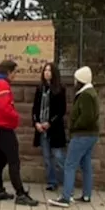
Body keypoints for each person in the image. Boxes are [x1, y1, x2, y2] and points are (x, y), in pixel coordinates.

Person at [0, 60, 38, 206]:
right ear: (9, 72)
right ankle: (20, 193)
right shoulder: (2, 84)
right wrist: (16, 117)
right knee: (14, 160)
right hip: (4, 127)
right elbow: (5, 108)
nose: (16, 75)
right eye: (15, 72)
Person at [50, 66, 99, 208]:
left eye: (76, 80)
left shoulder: (86, 95)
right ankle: (86, 194)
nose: (74, 82)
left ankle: (66, 197)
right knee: (85, 164)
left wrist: (74, 126)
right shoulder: (90, 93)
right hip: (90, 135)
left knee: (70, 164)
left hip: (82, 135)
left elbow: (87, 117)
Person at [32, 62, 67, 191]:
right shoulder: (40, 88)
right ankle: (52, 181)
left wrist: (50, 123)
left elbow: (61, 110)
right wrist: (36, 122)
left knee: (58, 157)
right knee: (47, 158)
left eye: (49, 70)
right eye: (45, 70)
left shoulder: (60, 89)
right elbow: (35, 107)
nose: (47, 73)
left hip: (54, 128)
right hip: (41, 127)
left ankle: (66, 182)